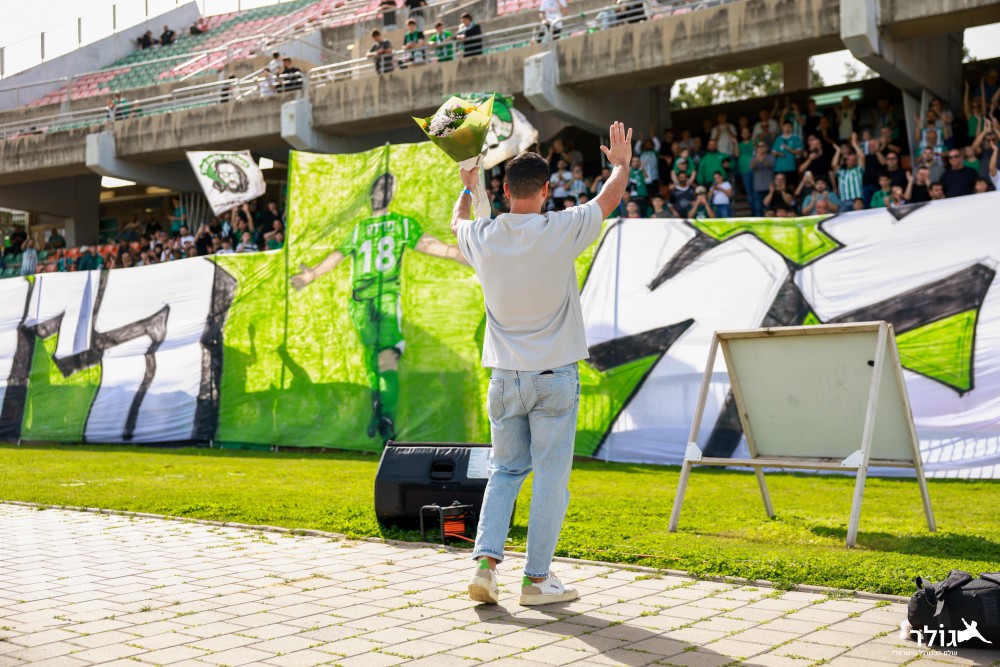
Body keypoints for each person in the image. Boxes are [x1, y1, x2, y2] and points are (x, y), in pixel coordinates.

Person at [453, 122, 632, 607]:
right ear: (547, 190)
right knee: (551, 479)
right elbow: (609, 198)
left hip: (504, 378)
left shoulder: (484, 236)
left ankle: (486, 566)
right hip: (555, 377)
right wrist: (620, 164)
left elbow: (459, 219)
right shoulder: (561, 228)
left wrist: (468, 183)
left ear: (506, 191)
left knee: (504, 472)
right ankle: (536, 581)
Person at [292, 172, 467, 443]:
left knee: (385, 357)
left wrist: (463, 254)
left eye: (385, 188)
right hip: (361, 302)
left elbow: (433, 246)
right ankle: (381, 408)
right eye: (378, 187)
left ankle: (386, 416)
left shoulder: (393, 225)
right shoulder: (371, 227)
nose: (380, 192)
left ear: (390, 194)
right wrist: (312, 274)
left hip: (382, 297)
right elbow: (340, 254)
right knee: (376, 359)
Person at [832, 133, 865, 204]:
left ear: (856, 162)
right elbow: (834, 164)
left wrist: (854, 144)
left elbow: (862, 157)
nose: (851, 162)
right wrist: (838, 151)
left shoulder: (858, 170)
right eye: (849, 160)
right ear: (846, 161)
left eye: (853, 160)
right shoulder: (842, 172)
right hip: (844, 201)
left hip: (857, 201)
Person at [772, 120, 803, 187]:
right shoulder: (778, 139)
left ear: (791, 128)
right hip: (779, 168)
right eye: (785, 126)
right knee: (779, 186)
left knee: (791, 186)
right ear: (782, 127)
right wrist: (778, 153)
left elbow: (799, 151)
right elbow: (773, 152)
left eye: (789, 126)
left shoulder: (796, 138)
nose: (787, 128)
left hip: (791, 167)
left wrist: (788, 148)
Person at [750, 141, 774, 217]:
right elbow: (752, 167)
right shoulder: (753, 158)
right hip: (758, 188)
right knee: (758, 209)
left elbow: (770, 165)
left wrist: (763, 159)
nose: (761, 148)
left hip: (769, 187)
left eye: (762, 146)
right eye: (759, 146)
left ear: (766, 147)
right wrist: (757, 158)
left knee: (769, 209)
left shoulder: (770, 157)